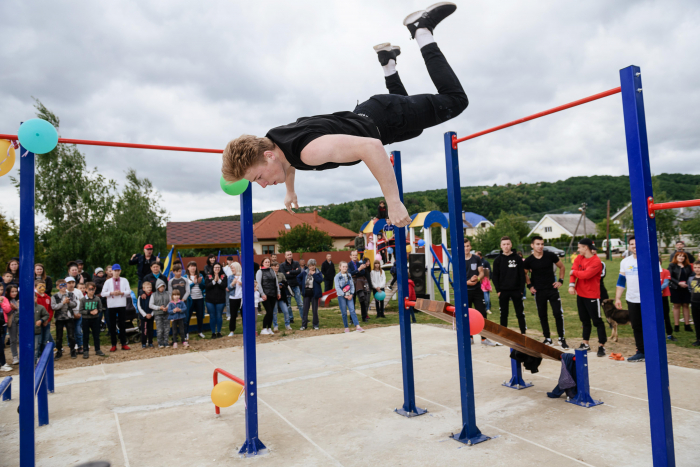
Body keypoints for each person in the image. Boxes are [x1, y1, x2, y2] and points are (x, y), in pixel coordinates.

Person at [222, 3, 465, 230]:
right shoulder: (275, 142)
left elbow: (370, 148)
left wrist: (393, 201)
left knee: (454, 100)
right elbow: (287, 162)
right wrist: (290, 191)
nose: (263, 185)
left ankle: (422, 30)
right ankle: (388, 62)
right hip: (373, 116)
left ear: (268, 156)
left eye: (258, 178)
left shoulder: (309, 152)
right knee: (415, 127)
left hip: (385, 119)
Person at [615, 236, 656, 362]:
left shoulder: (649, 259)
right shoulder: (625, 262)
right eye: (632, 244)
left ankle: (653, 351)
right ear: (629, 246)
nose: (634, 246)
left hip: (647, 299)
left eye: (636, 244)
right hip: (632, 299)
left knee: (650, 326)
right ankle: (641, 351)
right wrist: (617, 298)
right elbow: (621, 281)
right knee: (636, 326)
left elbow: (657, 278)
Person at [524, 236, 568, 349]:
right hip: (539, 291)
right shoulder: (529, 260)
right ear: (532, 245)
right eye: (538, 244)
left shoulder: (550, 255)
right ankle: (547, 338)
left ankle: (561, 338)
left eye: (542, 244)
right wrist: (530, 286)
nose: (540, 246)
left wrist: (560, 281)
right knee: (543, 315)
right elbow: (524, 273)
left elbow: (562, 267)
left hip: (552, 289)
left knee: (557, 313)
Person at [569, 238, 607, 357]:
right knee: (584, 320)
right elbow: (574, 271)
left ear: (586, 248)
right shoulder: (579, 258)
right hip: (581, 294)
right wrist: (571, 285)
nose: (578, 249)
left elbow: (585, 275)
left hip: (592, 295)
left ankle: (602, 346)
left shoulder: (596, 261)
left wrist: (573, 273)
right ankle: (585, 343)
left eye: (579, 247)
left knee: (597, 321)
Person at [464, 239, 498, 346]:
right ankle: (469, 337)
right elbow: (456, 277)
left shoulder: (476, 258)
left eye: (468, 246)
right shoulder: (458, 259)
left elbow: (482, 273)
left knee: (482, 313)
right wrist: (467, 282)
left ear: (471, 246)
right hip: (466, 291)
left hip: (477, 290)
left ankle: (484, 338)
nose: (466, 248)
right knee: (467, 315)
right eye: (464, 246)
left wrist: (477, 279)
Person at [492, 237, 527, 334]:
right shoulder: (497, 260)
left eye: (508, 244)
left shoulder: (517, 258)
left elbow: (522, 275)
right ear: (501, 246)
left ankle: (523, 333)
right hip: (503, 291)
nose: (506, 246)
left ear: (511, 245)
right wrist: (498, 290)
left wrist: (521, 290)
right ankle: (503, 334)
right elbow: (495, 276)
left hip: (516, 290)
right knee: (503, 313)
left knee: (520, 313)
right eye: (504, 244)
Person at [100, 264, 132, 352]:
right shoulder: (108, 282)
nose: (116, 272)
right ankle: (113, 344)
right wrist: (111, 293)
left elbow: (128, 291)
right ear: (112, 272)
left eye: (118, 270)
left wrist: (121, 293)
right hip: (111, 305)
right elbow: (103, 293)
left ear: (120, 271)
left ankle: (123, 343)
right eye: (115, 270)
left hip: (121, 304)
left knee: (122, 324)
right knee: (112, 325)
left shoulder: (124, 280)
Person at [51, 279, 78, 359]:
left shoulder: (71, 294)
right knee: (59, 336)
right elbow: (54, 307)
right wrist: (63, 303)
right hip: (59, 318)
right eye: (61, 286)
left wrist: (69, 302)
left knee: (71, 335)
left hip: (69, 318)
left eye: (64, 285)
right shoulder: (54, 296)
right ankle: (59, 351)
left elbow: (75, 304)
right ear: (57, 287)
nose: (63, 287)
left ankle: (73, 350)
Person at [335, 262, 364, 332]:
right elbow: (337, 287)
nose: (345, 268)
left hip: (349, 296)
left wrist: (351, 294)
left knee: (352, 310)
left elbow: (352, 285)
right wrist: (344, 295)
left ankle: (357, 326)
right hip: (341, 296)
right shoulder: (337, 277)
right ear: (340, 267)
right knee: (344, 312)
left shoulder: (349, 275)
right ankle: (346, 327)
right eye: (343, 266)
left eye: (346, 267)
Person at [669, 251, 693, 333]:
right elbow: (670, 276)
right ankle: (676, 325)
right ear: (676, 257)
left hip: (686, 288)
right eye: (679, 256)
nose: (681, 257)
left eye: (683, 256)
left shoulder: (688, 266)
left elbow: (691, 276)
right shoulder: (672, 265)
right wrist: (678, 283)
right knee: (677, 305)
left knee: (686, 305)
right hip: (676, 288)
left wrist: (687, 284)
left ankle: (687, 324)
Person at [79, 282, 105, 359]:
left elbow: (101, 308)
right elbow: (81, 310)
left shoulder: (97, 299)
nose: (92, 291)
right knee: (85, 335)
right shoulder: (83, 299)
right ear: (86, 290)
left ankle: (97, 349)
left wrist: (97, 311)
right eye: (90, 289)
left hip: (95, 319)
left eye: (93, 289)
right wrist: (89, 312)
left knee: (96, 335)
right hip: (86, 320)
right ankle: (85, 351)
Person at [256, 257, 280, 335]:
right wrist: (262, 294)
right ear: (262, 263)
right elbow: (258, 284)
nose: (267, 263)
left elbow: (276, 282)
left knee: (271, 312)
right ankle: (263, 328)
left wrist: (278, 292)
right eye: (266, 262)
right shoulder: (260, 271)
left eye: (268, 262)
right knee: (269, 311)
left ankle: (269, 328)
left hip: (273, 294)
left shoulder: (272, 271)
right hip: (265, 295)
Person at [298, 259, 324, 330]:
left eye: (313, 265)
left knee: (314, 310)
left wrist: (314, 274)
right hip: (306, 293)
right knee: (305, 310)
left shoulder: (318, 272)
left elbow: (320, 280)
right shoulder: (305, 272)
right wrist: (302, 285)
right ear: (308, 266)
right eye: (310, 266)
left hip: (314, 294)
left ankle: (315, 324)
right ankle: (304, 325)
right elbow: (298, 278)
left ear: (315, 265)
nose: (312, 267)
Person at [205, 262, 227, 338]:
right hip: (210, 300)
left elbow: (224, 286)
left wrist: (219, 280)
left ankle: (219, 332)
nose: (217, 269)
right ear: (213, 268)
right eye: (215, 267)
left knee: (219, 316)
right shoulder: (208, 276)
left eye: (218, 267)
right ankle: (213, 332)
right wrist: (214, 281)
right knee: (212, 316)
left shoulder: (224, 276)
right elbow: (207, 286)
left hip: (220, 300)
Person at [280, 251, 303, 321]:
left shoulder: (296, 263)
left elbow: (299, 271)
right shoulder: (282, 265)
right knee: (289, 305)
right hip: (287, 287)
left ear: (292, 255)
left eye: (290, 254)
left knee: (300, 304)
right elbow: (284, 275)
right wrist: (294, 273)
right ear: (285, 256)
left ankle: (303, 318)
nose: (289, 256)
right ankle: (291, 318)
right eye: (288, 255)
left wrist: (290, 272)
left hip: (296, 285)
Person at [186, 261, 206, 338]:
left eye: (194, 266)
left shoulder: (200, 275)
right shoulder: (185, 277)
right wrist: (193, 283)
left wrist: (200, 283)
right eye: (191, 266)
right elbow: (185, 288)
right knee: (188, 316)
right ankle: (186, 332)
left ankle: (200, 331)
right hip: (190, 299)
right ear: (188, 268)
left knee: (200, 315)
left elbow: (203, 287)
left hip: (199, 298)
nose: (193, 268)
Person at [66, 276, 84, 354]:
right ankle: (71, 347)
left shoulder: (78, 292)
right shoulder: (65, 292)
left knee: (78, 331)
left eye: (72, 282)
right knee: (70, 332)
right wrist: (73, 314)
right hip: (68, 315)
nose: (71, 284)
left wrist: (80, 312)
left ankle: (80, 346)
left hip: (78, 314)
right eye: (69, 283)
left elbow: (82, 302)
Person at [150, 279, 171, 348]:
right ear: (157, 287)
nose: (162, 288)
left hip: (166, 313)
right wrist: (159, 308)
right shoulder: (153, 295)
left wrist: (167, 307)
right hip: (158, 314)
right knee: (159, 329)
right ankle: (160, 342)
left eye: (163, 286)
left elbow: (171, 301)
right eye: (160, 286)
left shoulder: (168, 293)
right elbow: (151, 305)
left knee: (167, 328)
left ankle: (166, 342)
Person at [272, 261, 292, 332]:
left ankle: (287, 324)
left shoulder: (281, 274)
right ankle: (275, 326)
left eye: (277, 266)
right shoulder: (271, 275)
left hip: (281, 296)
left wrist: (282, 285)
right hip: (274, 296)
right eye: (275, 266)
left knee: (286, 311)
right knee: (274, 312)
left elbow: (286, 283)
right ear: (272, 267)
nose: (276, 267)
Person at [35, 281, 54, 354]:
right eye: (40, 286)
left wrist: (47, 320)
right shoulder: (35, 297)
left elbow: (50, 310)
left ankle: (45, 354)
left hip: (46, 322)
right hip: (38, 322)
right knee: (38, 340)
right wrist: (40, 320)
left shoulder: (48, 297)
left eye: (44, 286)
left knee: (45, 340)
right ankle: (38, 355)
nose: (42, 288)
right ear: (35, 287)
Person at [659, 260, 676, 342]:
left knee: (666, 315)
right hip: (653, 298)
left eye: (658, 261)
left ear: (660, 262)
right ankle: (657, 333)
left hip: (663, 296)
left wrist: (656, 290)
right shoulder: (650, 272)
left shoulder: (665, 271)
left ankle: (669, 334)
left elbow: (665, 283)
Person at [4, 284, 19, 364]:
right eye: (12, 292)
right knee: (13, 339)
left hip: (19, 321)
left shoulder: (17, 300)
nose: (14, 293)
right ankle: (15, 356)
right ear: (7, 292)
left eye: (15, 291)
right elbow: (6, 311)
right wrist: (12, 309)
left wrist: (16, 308)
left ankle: (23, 355)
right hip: (11, 321)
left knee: (21, 338)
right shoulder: (6, 300)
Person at [32, 294, 50, 364]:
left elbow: (46, 315)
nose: (33, 299)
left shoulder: (40, 307)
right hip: (26, 332)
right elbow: (17, 317)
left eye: (34, 298)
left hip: (36, 330)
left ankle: (35, 361)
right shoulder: (23, 307)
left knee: (36, 347)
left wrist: (41, 320)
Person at [138, 281, 155, 348]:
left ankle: (150, 342)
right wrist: (145, 315)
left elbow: (154, 305)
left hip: (151, 316)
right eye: (147, 287)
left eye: (150, 287)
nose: (149, 289)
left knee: (151, 330)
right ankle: (143, 343)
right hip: (143, 317)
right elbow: (139, 306)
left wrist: (151, 314)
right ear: (143, 289)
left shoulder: (153, 295)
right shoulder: (140, 297)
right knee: (144, 330)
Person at [227, 262, 243, 336]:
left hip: (242, 298)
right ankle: (232, 331)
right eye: (231, 268)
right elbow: (228, 288)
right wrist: (233, 283)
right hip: (233, 298)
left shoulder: (243, 276)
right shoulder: (230, 277)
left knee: (244, 314)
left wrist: (242, 284)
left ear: (237, 268)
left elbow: (248, 286)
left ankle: (245, 329)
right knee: (233, 315)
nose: (232, 269)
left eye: (232, 268)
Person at [688, 261, 700, 347]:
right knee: (696, 321)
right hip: (694, 303)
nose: (697, 269)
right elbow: (690, 288)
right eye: (695, 267)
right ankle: (698, 339)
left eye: (699, 267)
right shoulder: (691, 278)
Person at [0, 283, 10, 371]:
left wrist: (2, 302)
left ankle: (3, 363)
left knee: (1, 344)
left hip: (3, 324)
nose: (0, 292)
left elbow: (8, 309)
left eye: (2, 290)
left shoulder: (5, 299)